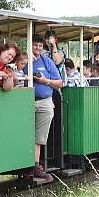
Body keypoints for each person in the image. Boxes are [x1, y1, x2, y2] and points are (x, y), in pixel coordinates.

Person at [31, 33, 63, 181]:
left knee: (39, 137)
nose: (37, 48)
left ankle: (36, 165)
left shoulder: (47, 62)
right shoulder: (25, 61)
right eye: (35, 45)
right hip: (27, 101)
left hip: (44, 101)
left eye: (40, 45)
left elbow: (60, 83)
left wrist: (45, 81)